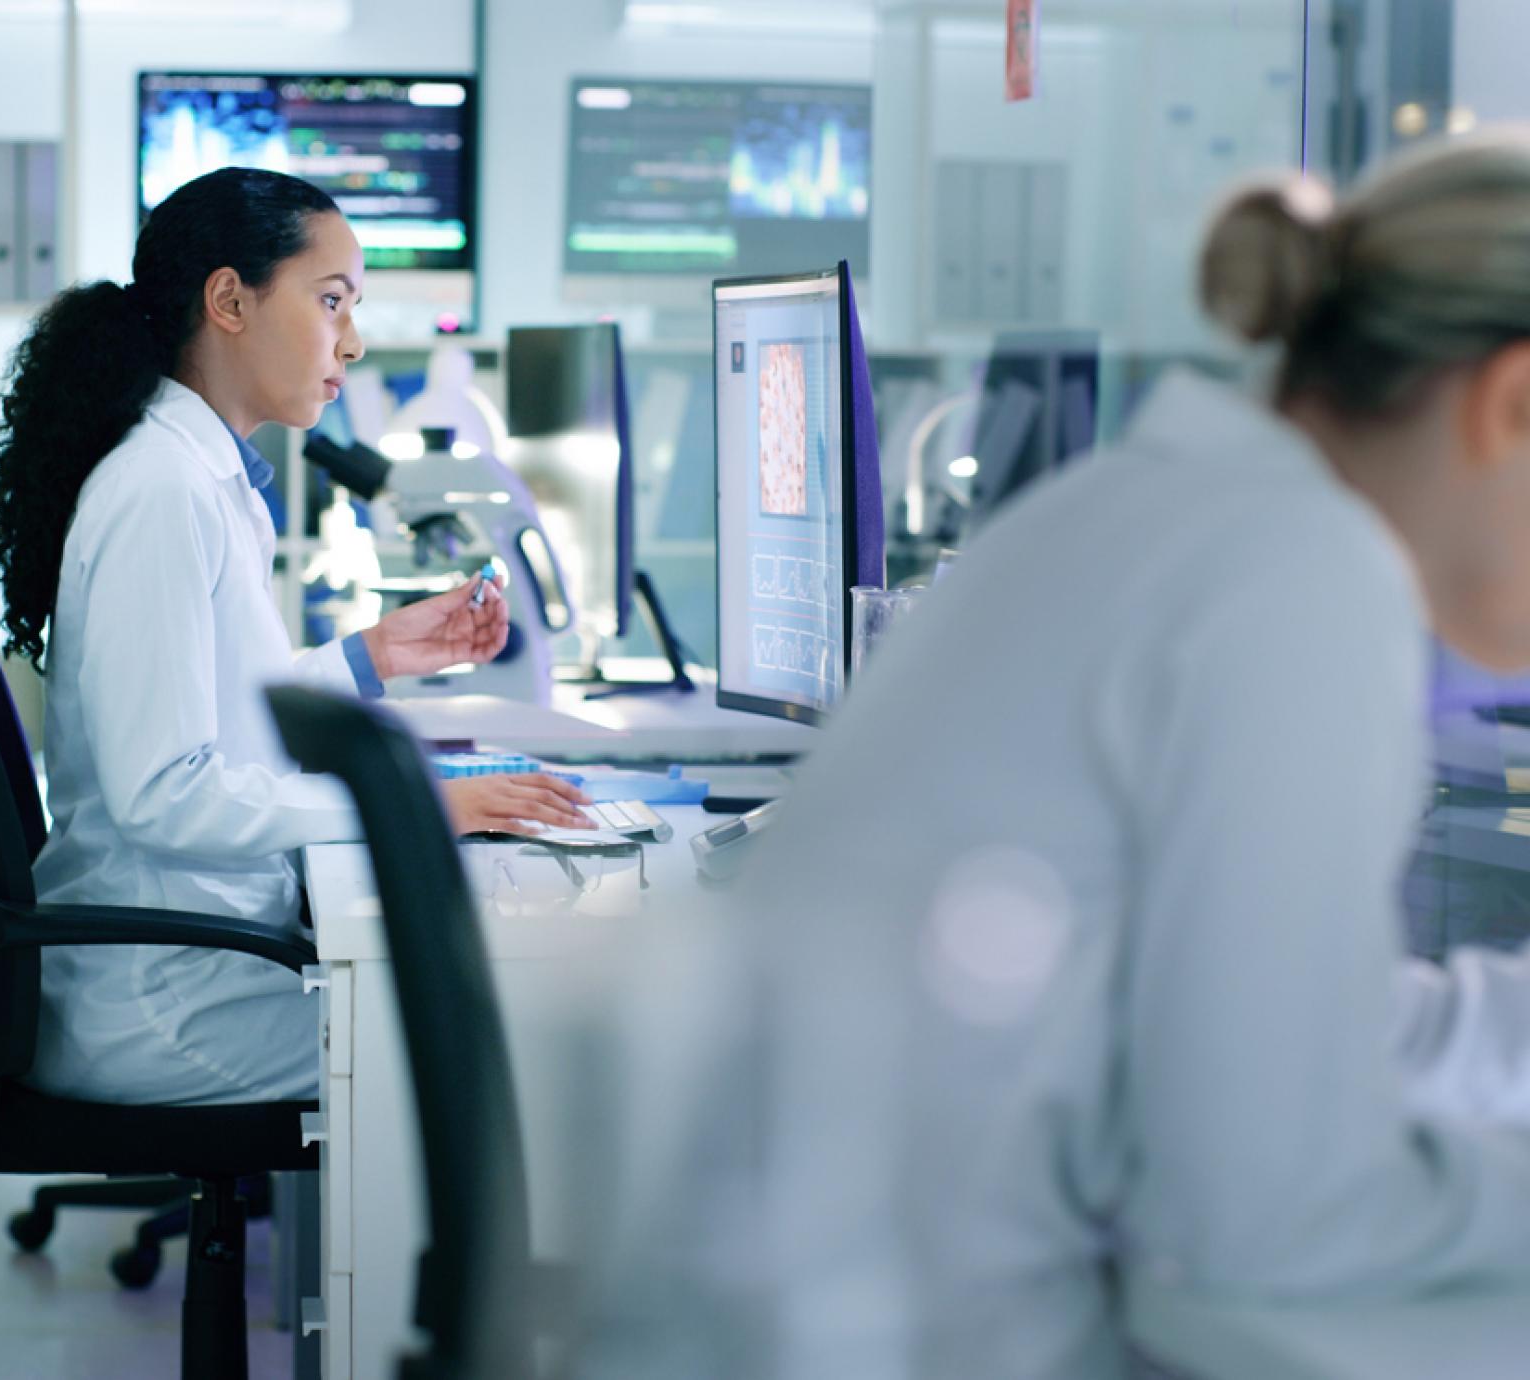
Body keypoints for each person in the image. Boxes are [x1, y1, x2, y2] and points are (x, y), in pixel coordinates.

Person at [582, 132, 1530, 1379]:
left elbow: (1238, 1005)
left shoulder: (1151, 511)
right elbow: (1272, 1218)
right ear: (1508, 401)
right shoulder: (1300, 573)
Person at [0, 167, 589, 1106]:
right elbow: (165, 800)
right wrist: (416, 806)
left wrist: (373, 658)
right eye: (331, 300)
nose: (354, 340)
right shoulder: (163, 490)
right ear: (229, 299)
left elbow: (222, 709)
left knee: (487, 1013)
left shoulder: (201, 474)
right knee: (514, 1041)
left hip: (202, 962)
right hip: (166, 1001)